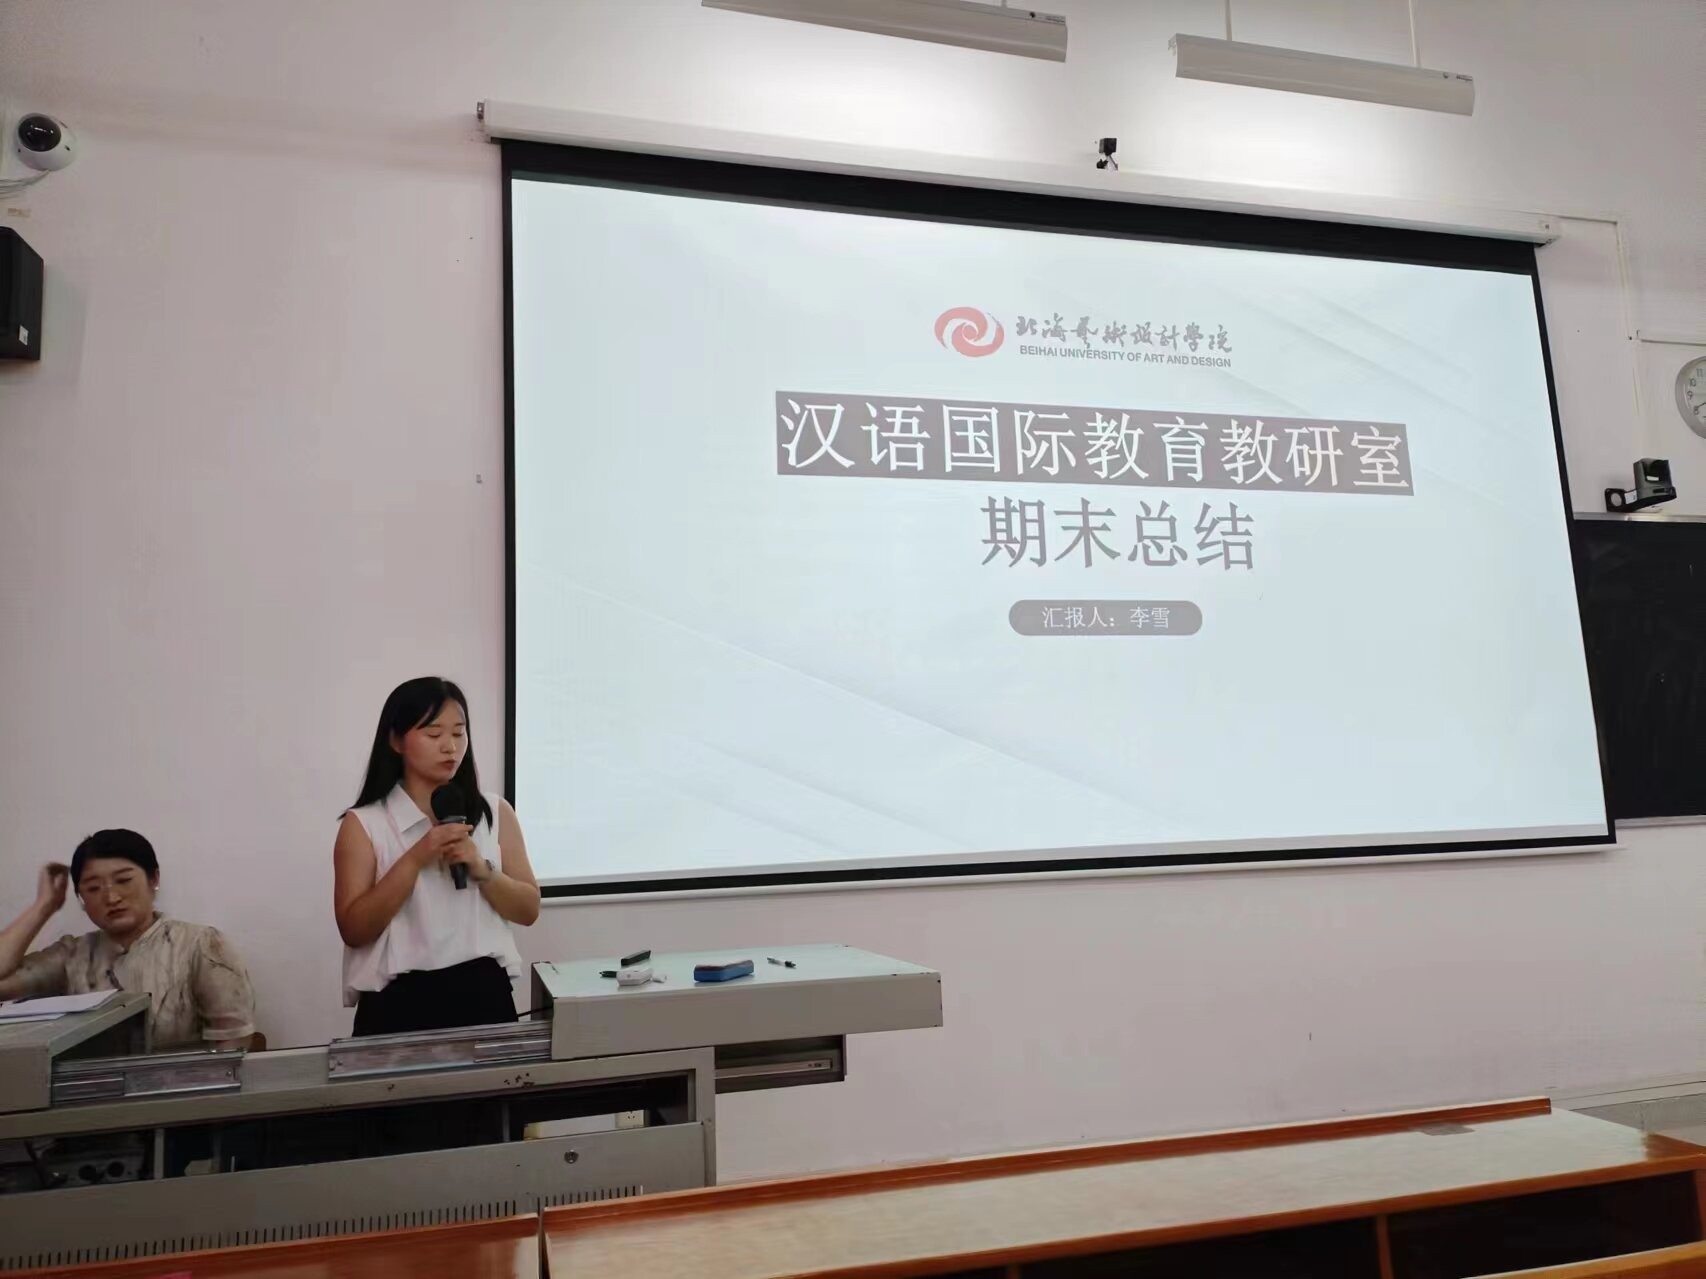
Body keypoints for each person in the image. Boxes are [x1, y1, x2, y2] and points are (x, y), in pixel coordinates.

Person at [335, 676, 541, 1036]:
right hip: (396, 1006)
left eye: (459, 733)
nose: (450, 746)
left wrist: (481, 869)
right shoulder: (365, 823)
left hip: (484, 996)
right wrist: (416, 858)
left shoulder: (494, 812)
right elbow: (354, 929)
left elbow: (528, 910)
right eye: (434, 734)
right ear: (396, 740)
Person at [0, 830, 257, 1052]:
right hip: (92, 1090)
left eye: (123, 880)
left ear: (153, 879)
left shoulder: (200, 945)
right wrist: (43, 906)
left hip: (182, 1088)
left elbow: (232, 1045)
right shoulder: (71, 955)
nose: (111, 898)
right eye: (93, 888)